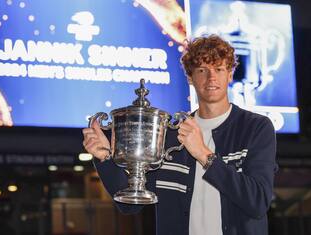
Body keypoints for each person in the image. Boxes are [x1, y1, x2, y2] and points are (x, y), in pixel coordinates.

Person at [82, 35, 277, 235]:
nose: (211, 78)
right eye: (202, 70)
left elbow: (258, 202)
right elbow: (130, 205)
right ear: (190, 77)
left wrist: (203, 154)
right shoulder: (169, 136)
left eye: (219, 69)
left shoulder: (256, 128)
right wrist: (105, 158)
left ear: (230, 74)